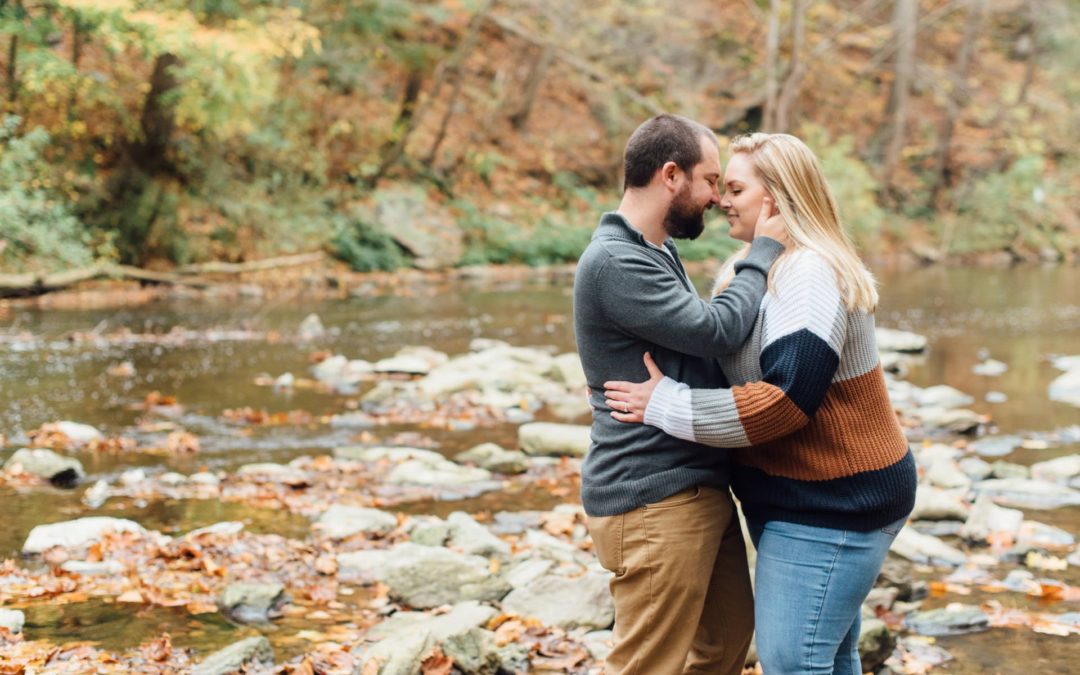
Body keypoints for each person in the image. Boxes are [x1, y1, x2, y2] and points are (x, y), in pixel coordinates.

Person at [602, 132, 917, 675]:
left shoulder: (810, 273)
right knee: (827, 654)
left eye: (737, 188)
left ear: (777, 200)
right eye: (721, 186)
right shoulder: (749, 266)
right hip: (801, 497)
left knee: (795, 662)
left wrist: (666, 404)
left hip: (838, 503)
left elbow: (785, 403)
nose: (723, 199)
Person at [573, 114, 787, 675]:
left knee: (723, 647)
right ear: (671, 175)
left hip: (694, 488)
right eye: (711, 180)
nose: (717, 198)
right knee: (646, 665)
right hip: (651, 494)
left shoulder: (652, 249)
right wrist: (761, 254)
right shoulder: (615, 262)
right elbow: (715, 330)